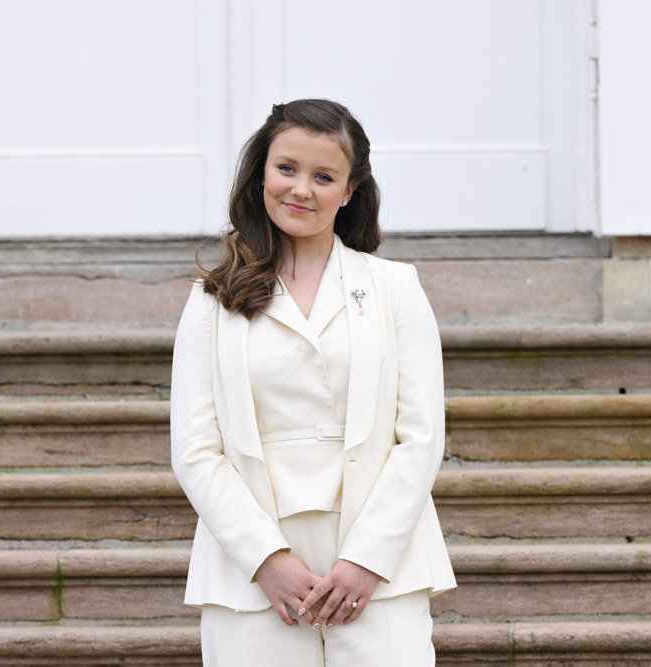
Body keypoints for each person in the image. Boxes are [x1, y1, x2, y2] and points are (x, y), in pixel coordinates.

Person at [169, 99, 456, 666]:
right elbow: (196, 450)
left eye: (324, 177)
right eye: (287, 169)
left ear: (349, 191)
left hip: (382, 566)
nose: (301, 189)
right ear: (260, 175)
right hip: (250, 574)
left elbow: (421, 437)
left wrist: (367, 559)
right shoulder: (211, 299)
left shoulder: (395, 288)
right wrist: (265, 560)